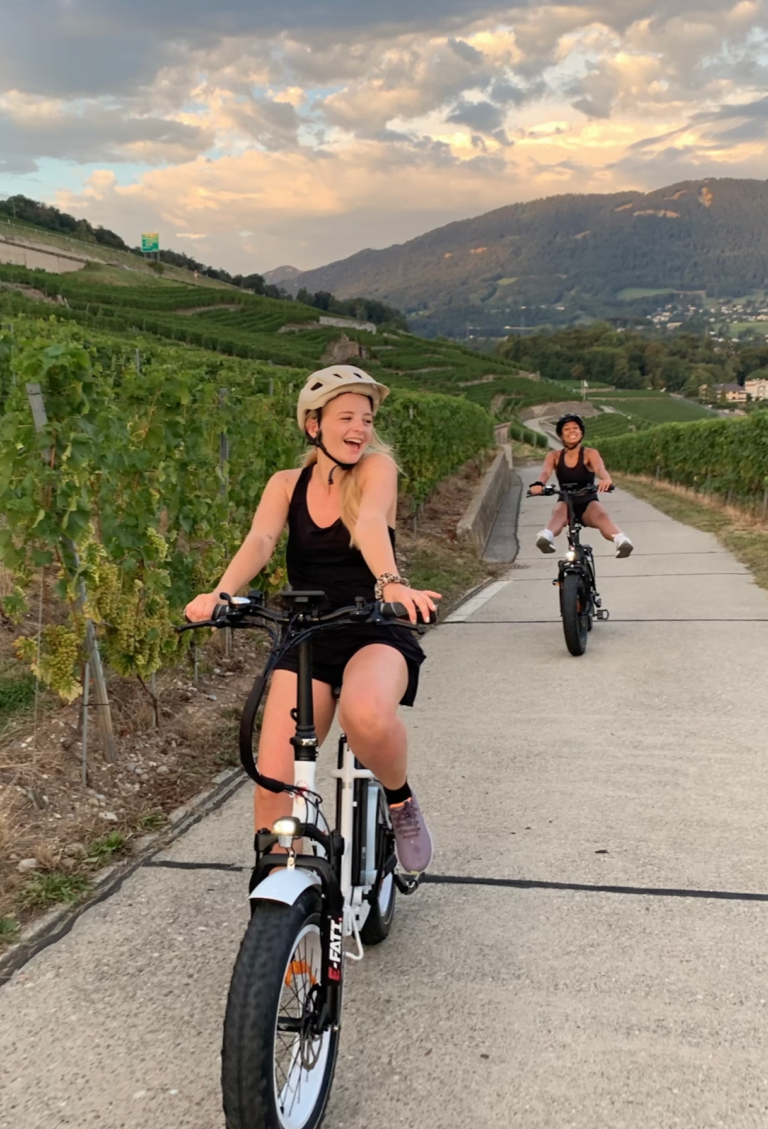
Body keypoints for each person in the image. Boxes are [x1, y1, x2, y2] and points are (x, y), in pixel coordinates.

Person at [184, 365, 439, 875]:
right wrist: (221, 593)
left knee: (365, 717)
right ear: (313, 424)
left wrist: (391, 584)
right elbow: (261, 540)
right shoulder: (285, 484)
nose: (360, 428)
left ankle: (400, 800)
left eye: (367, 419)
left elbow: (371, 522)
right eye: (347, 417)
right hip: (307, 635)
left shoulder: (376, 469)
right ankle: (285, 895)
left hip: (373, 624)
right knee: (273, 783)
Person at [530, 413, 634, 557]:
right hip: (566, 501)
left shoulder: (590, 453)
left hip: (588, 500)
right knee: (558, 513)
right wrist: (539, 484)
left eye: (575, 428)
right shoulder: (554, 456)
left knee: (602, 515)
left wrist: (606, 480)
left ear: (581, 432)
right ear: (561, 435)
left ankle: (621, 541)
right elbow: (545, 472)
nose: (572, 431)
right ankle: (546, 537)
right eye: (567, 429)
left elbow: (600, 469)